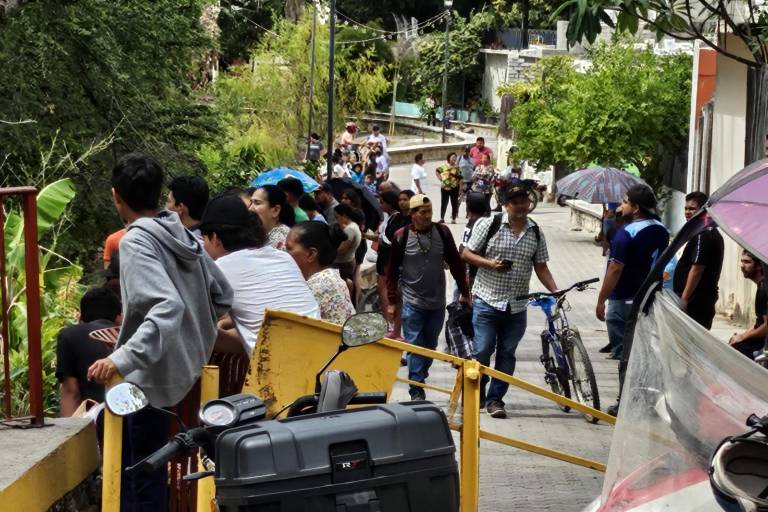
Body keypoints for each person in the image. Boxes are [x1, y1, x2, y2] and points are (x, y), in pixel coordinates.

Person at [87, 153, 233, 511]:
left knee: (141, 471)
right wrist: (193, 334)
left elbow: (168, 307)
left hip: (149, 378)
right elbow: (222, 293)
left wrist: (120, 357)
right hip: (184, 368)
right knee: (132, 451)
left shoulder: (135, 242)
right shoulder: (179, 231)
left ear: (115, 196)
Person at [462, 182, 557, 419]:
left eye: (524, 201)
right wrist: (490, 264)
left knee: (507, 353)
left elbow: (541, 266)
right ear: (506, 205)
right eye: (515, 202)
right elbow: (466, 253)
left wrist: (555, 290)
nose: (521, 206)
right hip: (487, 299)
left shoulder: (535, 231)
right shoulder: (490, 224)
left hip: (517, 306)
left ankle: (495, 400)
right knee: (482, 350)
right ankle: (476, 395)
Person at [200, 194, 320, 356]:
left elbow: (195, 323)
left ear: (215, 237)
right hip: (318, 355)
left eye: (204, 239)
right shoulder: (283, 257)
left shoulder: (220, 268)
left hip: (275, 369)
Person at [387, 195, 470, 400]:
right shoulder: (401, 236)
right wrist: (391, 301)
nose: (427, 215)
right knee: (415, 345)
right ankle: (416, 389)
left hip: (436, 301)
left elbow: (456, 265)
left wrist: (465, 292)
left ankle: (420, 376)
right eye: (422, 212)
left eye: (429, 211)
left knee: (430, 345)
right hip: (412, 301)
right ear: (412, 214)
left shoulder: (442, 232)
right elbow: (391, 272)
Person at [595, 185, 669, 362]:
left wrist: (601, 300)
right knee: (644, 349)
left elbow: (615, 269)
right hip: (651, 295)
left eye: (625, 202)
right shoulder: (661, 229)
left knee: (625, 354)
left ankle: (627, 385)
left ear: (636, 208)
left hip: (624, 297)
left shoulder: (627, 233)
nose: (621, 205)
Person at [56, 287, 122, 416]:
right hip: (131, 419)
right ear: (119, 317)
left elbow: (71, 392)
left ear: (81, 318)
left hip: (92, 421)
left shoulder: (69, 336)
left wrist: (70, 432)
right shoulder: (133, 338)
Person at [286, 222, 356, 325]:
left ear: (311, 254)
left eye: (289, 249)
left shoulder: (318, 285)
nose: (283, 254)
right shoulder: (329, 277)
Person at [673, 191, 724, 330]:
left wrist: (684, 299)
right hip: (699, 299)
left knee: (689, 343)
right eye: (686, 208)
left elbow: (697, 269)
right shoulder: (705, 231)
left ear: (703, 209)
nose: (688, 212)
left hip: (696, 301)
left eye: (692, 208)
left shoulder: (704, 234)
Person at [729, 250, 768, 360]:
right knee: (735, 341)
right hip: (761, 341)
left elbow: (766, 327)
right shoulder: (762, 286)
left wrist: (743, 337)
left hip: (763, 345)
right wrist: (740, 336)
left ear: (759, 266)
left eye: (747, 262)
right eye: (741, 261)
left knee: (735, 349)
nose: (742, 266)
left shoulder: (763, 290)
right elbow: (759, 324)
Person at [248, 185, 295, 250]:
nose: (250, 209)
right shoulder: (256, 233)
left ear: (276, 210)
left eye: (257, 203)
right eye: (251, 203)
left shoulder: (284, 240)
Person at [333, 203, 363, 296]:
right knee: (345, 281)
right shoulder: (353, 226)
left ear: (344, 215)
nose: (336, 220)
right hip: (349, 260)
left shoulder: (350, 229)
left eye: (337, 217)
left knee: (341, 285)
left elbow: (342, 249)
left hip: (343, 262)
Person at [166, 175, 210, 239]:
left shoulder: (185, 242)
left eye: (168, 201)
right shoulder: (210, 238)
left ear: (180, 207)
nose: (166, 206)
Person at [435, 152, 462, 223]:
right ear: (449, 158)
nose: (454, 159)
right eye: (453, 157)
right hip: (444, 188)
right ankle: (442, 218)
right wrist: (441, 179)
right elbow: (437, 171)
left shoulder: (457, 167)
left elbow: (460, 178)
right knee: (444, 203)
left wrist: (460, 188)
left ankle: (453, 219)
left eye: (455, 157)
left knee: (454, 203)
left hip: (455, 187)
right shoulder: (444, 166)